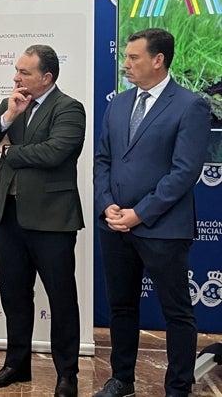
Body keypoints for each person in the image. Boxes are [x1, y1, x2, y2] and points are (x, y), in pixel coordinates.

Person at [93, 28, 210, 397]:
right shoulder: (119, 103)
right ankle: (121, 380)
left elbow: (184, 172)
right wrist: (107, 203)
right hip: (115, 226)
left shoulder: (191, 105)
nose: (125, 64)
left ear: (158, 60)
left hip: (162, 229)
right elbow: (103, 160)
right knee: (122, 307)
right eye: (126, 57)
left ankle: (178, 387)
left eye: (133, 58)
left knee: (177, 313)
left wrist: (139, 214)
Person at [0, 45, 85, 397]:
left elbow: (54, 153)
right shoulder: (13, 103)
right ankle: (17, 364)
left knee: (61, 298)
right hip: (9, 215)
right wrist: (7, 118)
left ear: (46, 77)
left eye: (25, 72)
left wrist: (8, 150)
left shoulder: (69, 108)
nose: (16, 77)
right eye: (16, 70)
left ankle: (67, 373)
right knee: (14, 295)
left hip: (52, 220)